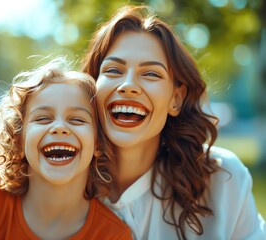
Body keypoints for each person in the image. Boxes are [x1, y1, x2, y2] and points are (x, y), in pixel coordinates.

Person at [82, 5, 266, 240]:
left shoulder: (224, 180)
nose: (128, 85)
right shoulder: (60, 183)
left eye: (151, 74)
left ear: (176, 100)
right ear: (90, 89)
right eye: (113, 70)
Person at [0, 57, 133, 240]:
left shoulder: (114, 235)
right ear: (19, 141)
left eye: (77, 120)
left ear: (97, 144)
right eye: (42, 119)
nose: (59, 127)